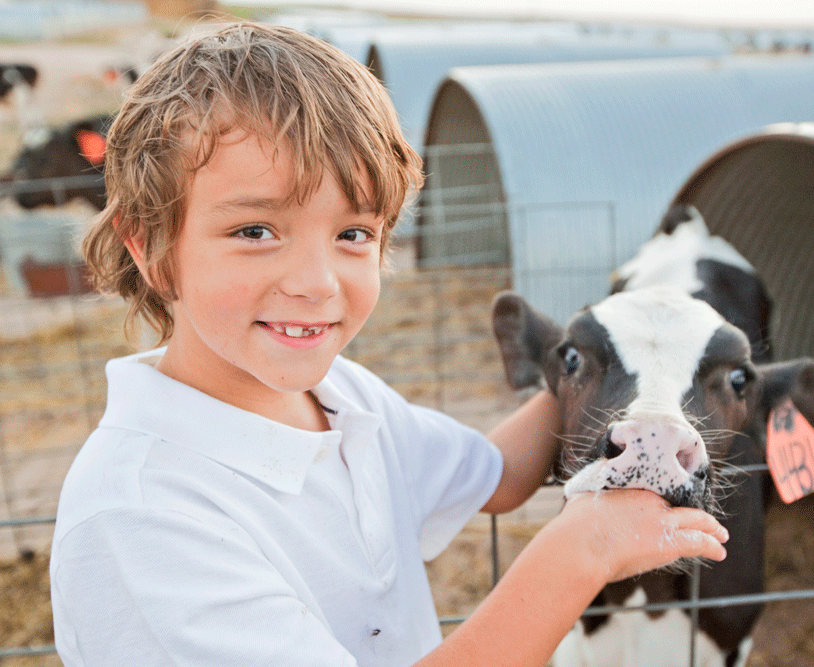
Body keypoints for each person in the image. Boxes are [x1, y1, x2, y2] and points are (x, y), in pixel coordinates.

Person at [50, 21, 728, 667]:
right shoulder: (141, 517)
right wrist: (584, 549)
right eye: (256, 230)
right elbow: (557, 531)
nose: (316, 284)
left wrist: (617, 370)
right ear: (149, 244)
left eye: (353, 233)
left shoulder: (342, 397)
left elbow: (495, 473)